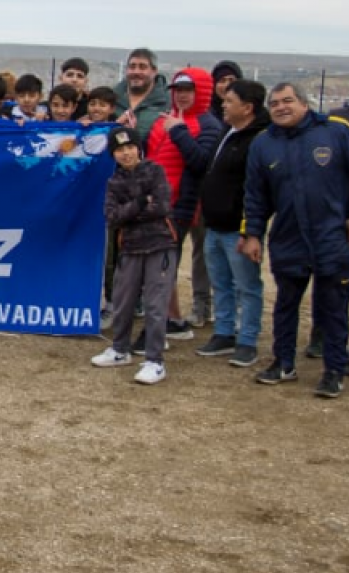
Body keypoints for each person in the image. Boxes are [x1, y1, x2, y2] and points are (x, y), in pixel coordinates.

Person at [239, 82, 349, 398]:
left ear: (304, 104)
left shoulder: (336, 131)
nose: (281, 107)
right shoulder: (263, 144)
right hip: (288, 239)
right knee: (286, 305)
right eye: (274, 103)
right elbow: (255, 195)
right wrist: (252, 234)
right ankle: (284, 362)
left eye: (287, 101)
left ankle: (333, 371)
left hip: (332, 237)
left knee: (333, 308)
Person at [90, 126, 175, 385]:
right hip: (129, 247)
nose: (126, 154)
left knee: (155, 304)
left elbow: (161, 206)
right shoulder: (113, 182)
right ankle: (119, 349)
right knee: (123, 301)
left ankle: (154, 360)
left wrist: (131, 210)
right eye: (119, 150)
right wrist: (140, 203)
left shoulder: (154, 171)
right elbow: (112, 217)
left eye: (129, 148)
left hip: (159, 244)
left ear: (138, 148)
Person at [196, 79, 269, 368]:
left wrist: (250, 231)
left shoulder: (258, 141)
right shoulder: (228, 131)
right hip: (213, 225)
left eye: (229, 101)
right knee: (221, 284)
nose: (223, 104)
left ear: (247, 107)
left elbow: (257, 190)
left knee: (247, 286)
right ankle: (224, 333)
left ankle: (247, 340)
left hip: (237, 230)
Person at [152, 68, 220, 338]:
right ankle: (170, 318)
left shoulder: (208, 125)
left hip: (181, 205)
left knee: (165, 263)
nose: (181, 96)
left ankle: (175, 320)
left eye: (188, 90)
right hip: (156, 204)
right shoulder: (164, 120)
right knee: (160, 264)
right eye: (177, 90)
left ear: (201, 91)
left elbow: (201, 162)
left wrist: (179, 131)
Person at [113, 48, 169, 137]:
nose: (136, 72)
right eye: (132, 67)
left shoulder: (168, 101)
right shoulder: (112, 97)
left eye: (142, 67)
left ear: (154, 71)